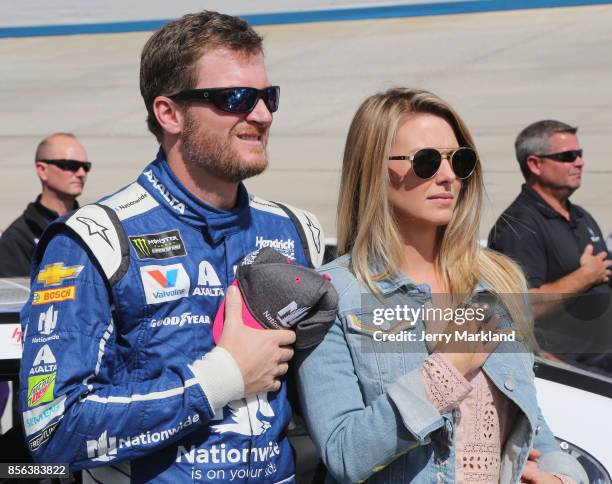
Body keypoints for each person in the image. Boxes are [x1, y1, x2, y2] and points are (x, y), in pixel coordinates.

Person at [19, 11, 323, 483]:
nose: (261, 115)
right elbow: (52, 430)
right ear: (169, 113)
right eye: (236, 98)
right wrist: (219, 380)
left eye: (268, 96)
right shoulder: (94, 239)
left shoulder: (296, 230)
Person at [296, 89, 586, 483]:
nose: (448, 176)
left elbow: (533, 424)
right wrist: (445, 371)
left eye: (459, 160)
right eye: (427, 161)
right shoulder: (333, 295)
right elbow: (346, 454)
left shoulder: (497, 281)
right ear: (373, 170)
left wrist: (563, 477)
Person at [488, 120, 612, 371]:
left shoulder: (580, 216)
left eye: (579, 154)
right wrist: (585, 277)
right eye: (567, 156)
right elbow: (521, 307)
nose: (579, 162)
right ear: (535, 164)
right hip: (576, 371)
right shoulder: (519, 225)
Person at [0, 132, 89, 277]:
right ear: (42, 170)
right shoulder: (17, 238)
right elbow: (16, 295)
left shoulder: (92, 227)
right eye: (71, 165)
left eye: (86, 166)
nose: (81, 173)